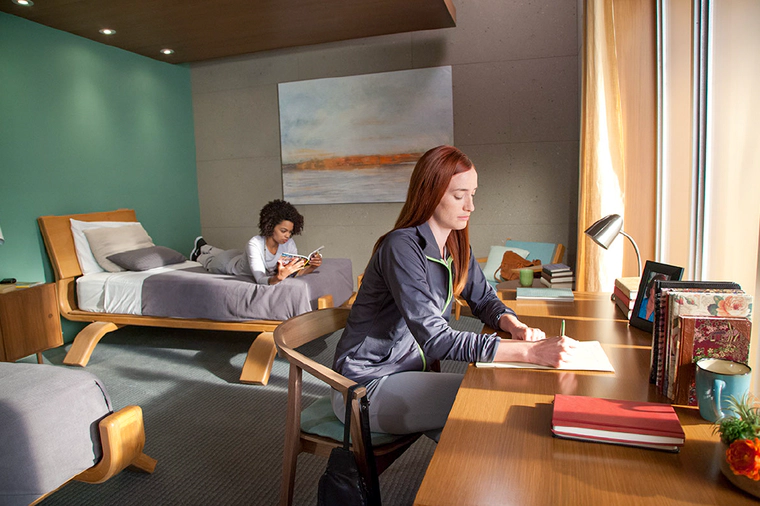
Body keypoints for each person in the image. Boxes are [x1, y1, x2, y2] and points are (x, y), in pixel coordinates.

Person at [331, 145, 577, 441]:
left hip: (410, 375)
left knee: (477, 431)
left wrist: (514, 326)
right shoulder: (401, 247)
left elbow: (484, 299)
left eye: (473, 194)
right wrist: (531, 352)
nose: (470, 206)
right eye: (459, 196)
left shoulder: (455, 245)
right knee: (490, 397)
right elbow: (435, 338)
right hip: (365, 385)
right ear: (430, 194)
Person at [190, 199, 322, 285]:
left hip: (239, 255)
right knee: (208, 260)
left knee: (229, 253)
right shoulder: (255, 243)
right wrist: (278, 278)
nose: (287, 235)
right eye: (283, 231)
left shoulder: (289, 243)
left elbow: (294, 273)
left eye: (290, 232)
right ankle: (199, 253)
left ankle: (205, 246)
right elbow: (260, 279)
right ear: (270, 226)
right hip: (225, 263)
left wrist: (312, 267)